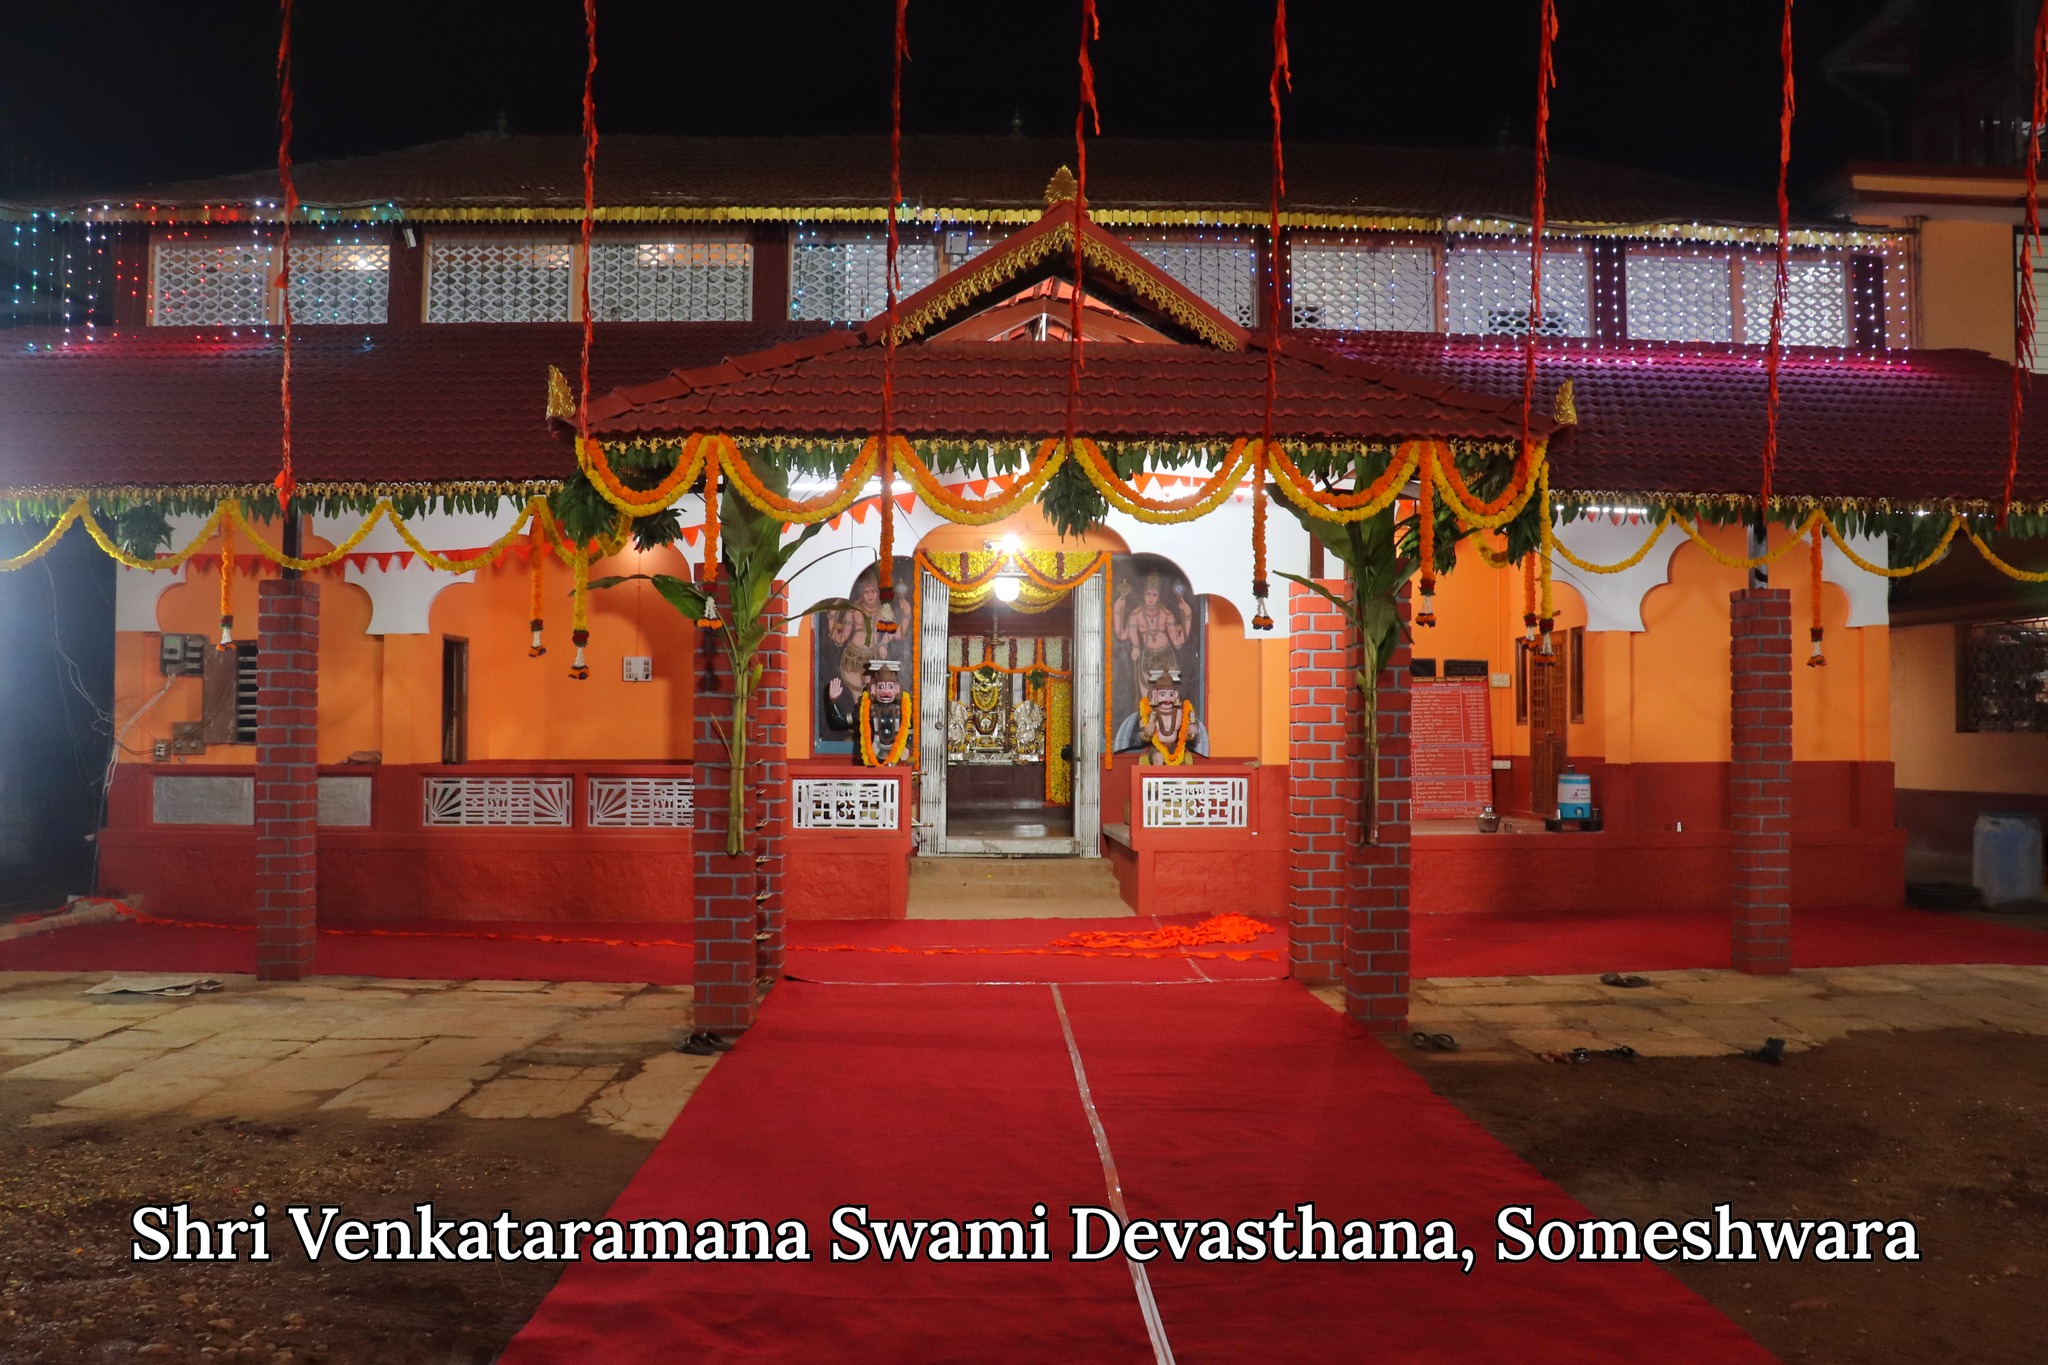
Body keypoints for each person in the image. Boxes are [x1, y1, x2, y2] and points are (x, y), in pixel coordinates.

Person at [821, 641, 872, 738]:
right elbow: (839, 720)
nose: (885, 692)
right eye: (880, 687)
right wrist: (833, 701)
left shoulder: (896, 712)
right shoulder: (863, 712)